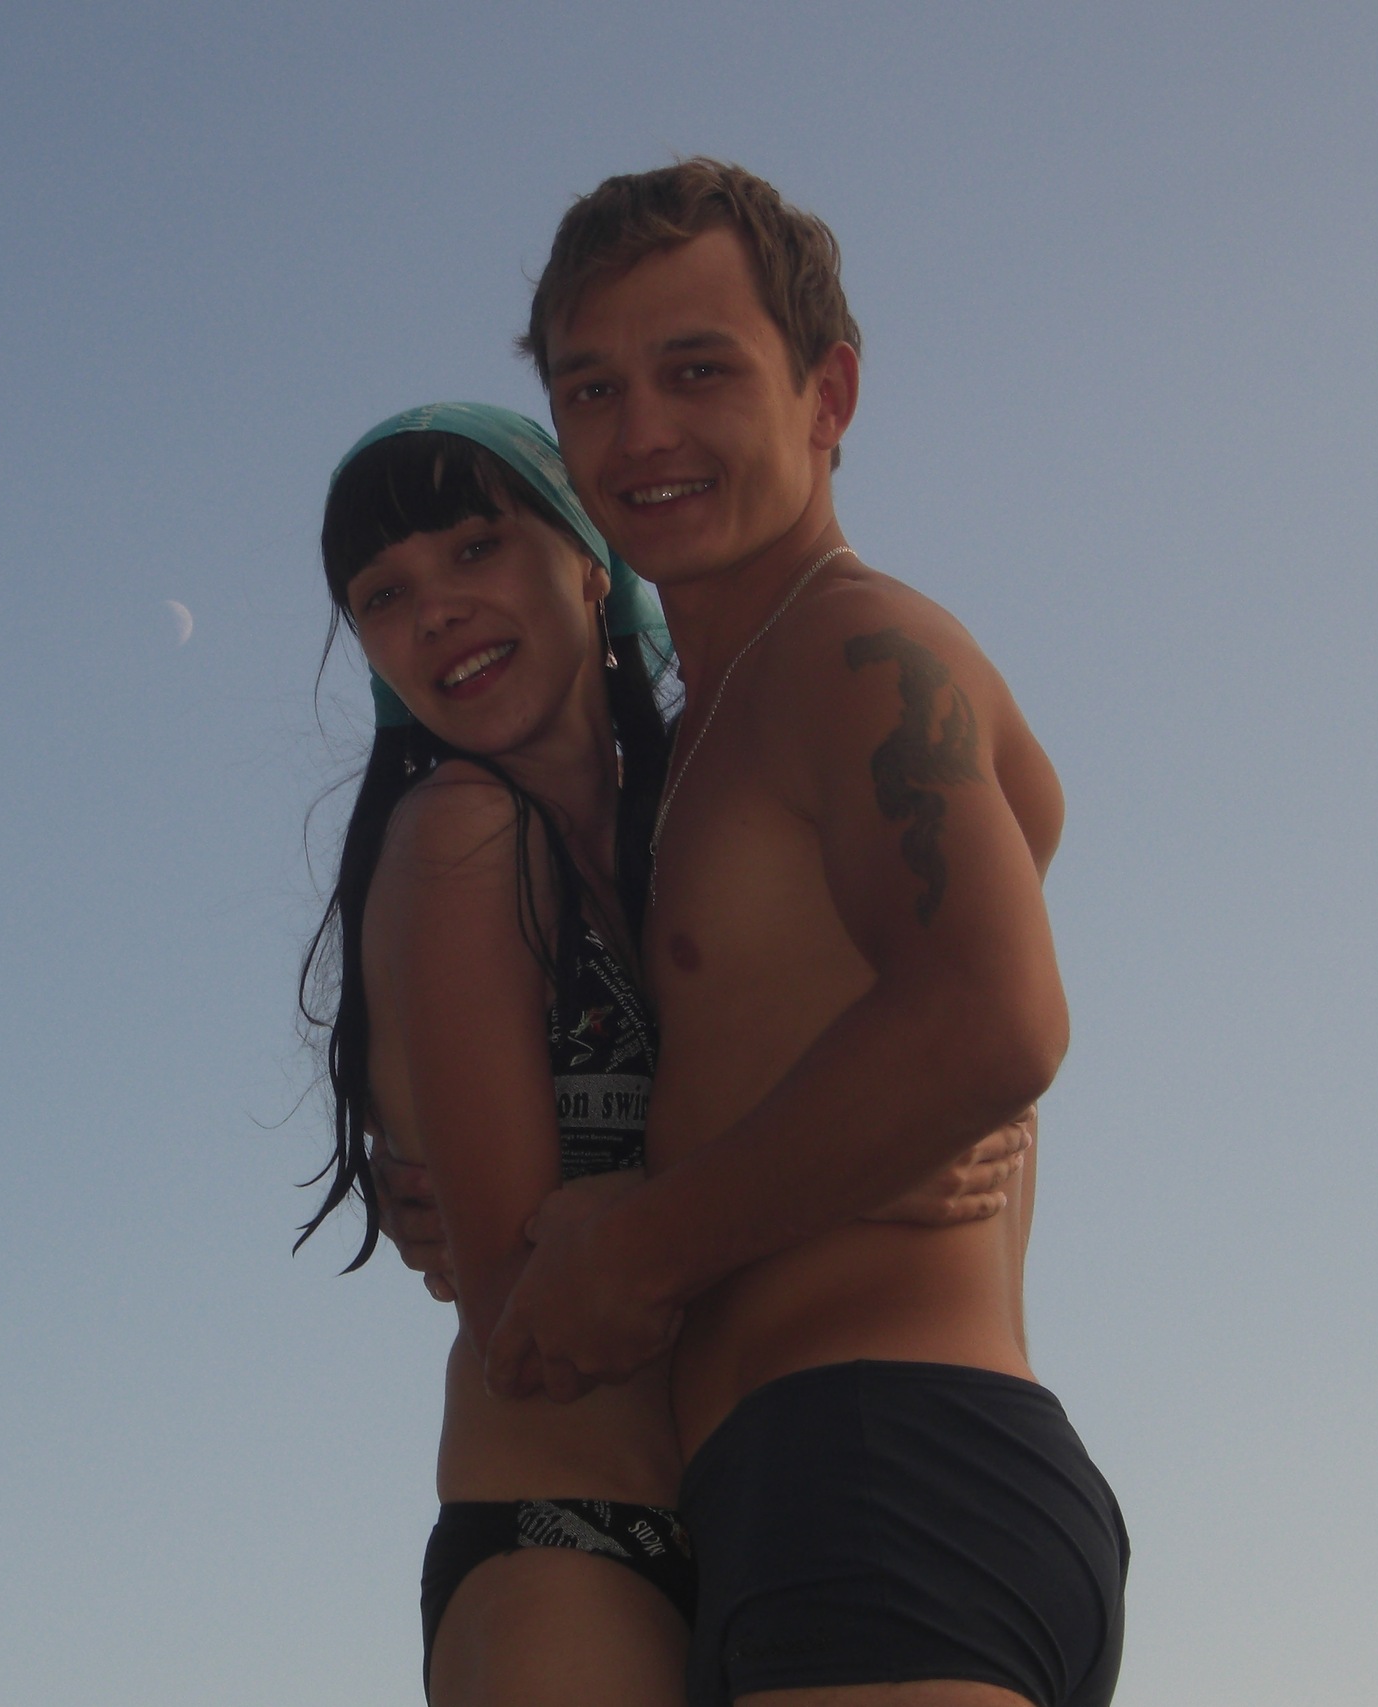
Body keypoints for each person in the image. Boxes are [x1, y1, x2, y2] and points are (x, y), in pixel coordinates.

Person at [476, 162, 1131, 1707]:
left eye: (698, 370)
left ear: (827, 394)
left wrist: (641, 1247)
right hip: (789, 1495)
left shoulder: (856, 645)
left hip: (886, 1462)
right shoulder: (709, 732)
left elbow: (993, 1020)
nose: (641, 432)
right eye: (592, 388)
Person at [298, 403, 1032, 1707]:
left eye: (475, 548)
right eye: (383, 596)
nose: (438, 611)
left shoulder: (697, 825)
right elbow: (523, 1313)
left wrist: (930, 1105)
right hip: (572, 1544)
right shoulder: (461, 834)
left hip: (780, 1517)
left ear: (591, 560)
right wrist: (850, 1167)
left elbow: (976, 904)